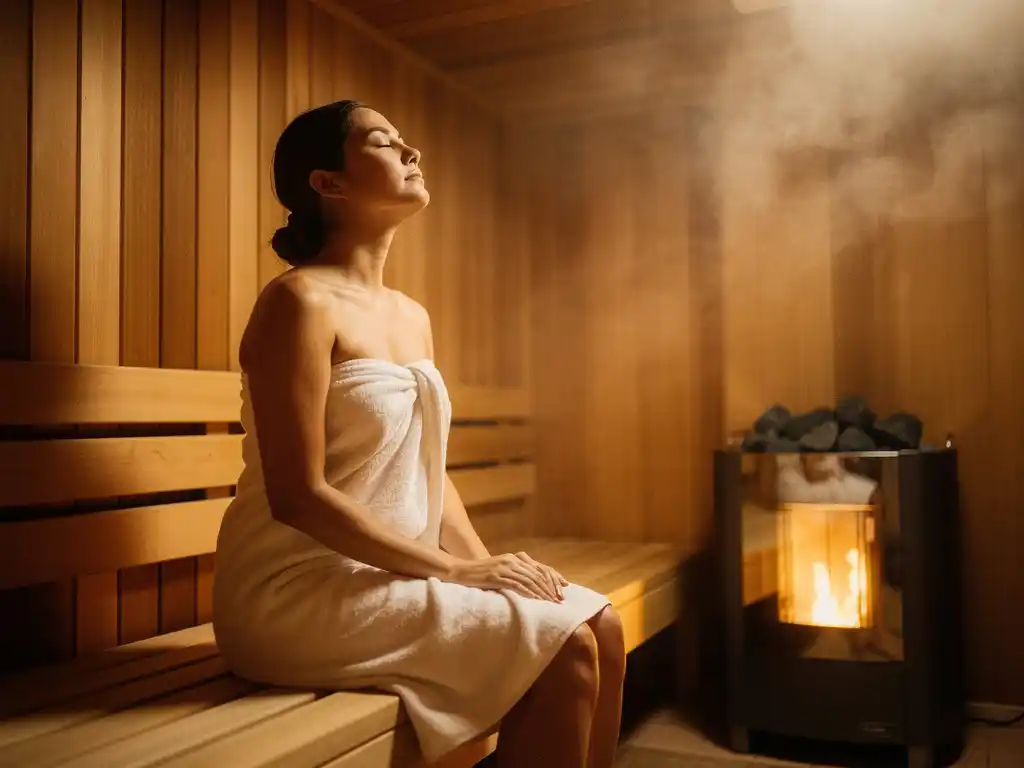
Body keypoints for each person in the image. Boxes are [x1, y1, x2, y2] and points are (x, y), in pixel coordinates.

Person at [212, 100, 626, 767]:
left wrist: (494, 572)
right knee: (568, 647)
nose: (413, 153)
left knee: (601, 626)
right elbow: (299, 495)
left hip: (390, 578)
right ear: (329, 183)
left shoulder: (410, 316)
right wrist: (460, 570)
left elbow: (428, 474)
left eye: (407, 141)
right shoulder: (297, 303)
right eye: (384, 142)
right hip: (298, 592)